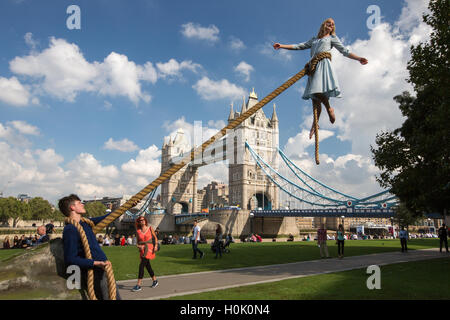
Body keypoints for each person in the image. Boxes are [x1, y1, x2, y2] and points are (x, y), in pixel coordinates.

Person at [273, 18, 368, 139]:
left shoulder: (332, 39)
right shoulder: (314, 40)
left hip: (323, 65)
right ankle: (314, 125)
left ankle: (329, 108)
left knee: (317, 92)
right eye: (329, 23)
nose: (331, 25)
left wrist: (359, 58)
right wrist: (282, 46)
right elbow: (299, 46)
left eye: (333, 24)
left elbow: (344, 51)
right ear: (324, 24)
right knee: (315, 99)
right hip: (313, 67)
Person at [59, 194, 124, 300]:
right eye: (79, 203)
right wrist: (96, 263)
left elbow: (108, 217)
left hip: (103, 269)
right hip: (94, 272)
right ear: (72, 207)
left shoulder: (85, 223)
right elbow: (70, 259)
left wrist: (127, 207)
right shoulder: (70, 229)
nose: (82, 204)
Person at [131, 216, 158, 292]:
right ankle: (155, 280)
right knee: (147, 265)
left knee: (141, 265)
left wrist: (155, 245)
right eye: (140, 220)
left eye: (143, 220)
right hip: (142, 250)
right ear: (139, 222)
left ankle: (138, 285)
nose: (142, 221)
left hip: (149, 248)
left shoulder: (150, 228)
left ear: (145, 221)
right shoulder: (138, 231)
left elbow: (155, 238)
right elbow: (137, 243)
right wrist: (139, 246)